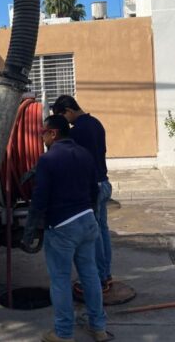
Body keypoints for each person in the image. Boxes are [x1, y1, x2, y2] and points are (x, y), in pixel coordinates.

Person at [22, 115, 113, 342]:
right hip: (87, 222)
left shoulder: (48, 160)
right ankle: (99, 328)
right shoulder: (84, 154)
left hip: (62, 227)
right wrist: (90, 212)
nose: (42, 137)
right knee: (90, 275)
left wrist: (30, 230)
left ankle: (63, 334)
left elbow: (40, 198)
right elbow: (94, 191)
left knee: (60, 280)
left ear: (53, 133)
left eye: (43, 133)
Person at [51, 95, 113, 293]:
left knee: (93, 236)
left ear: (68, 110)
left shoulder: (77, 132)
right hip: (104, 182)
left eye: (63, 116)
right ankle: (106, 274)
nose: (64, 121)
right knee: (102, 230)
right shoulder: (96, 123)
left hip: (92, 187)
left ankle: (99, 279)